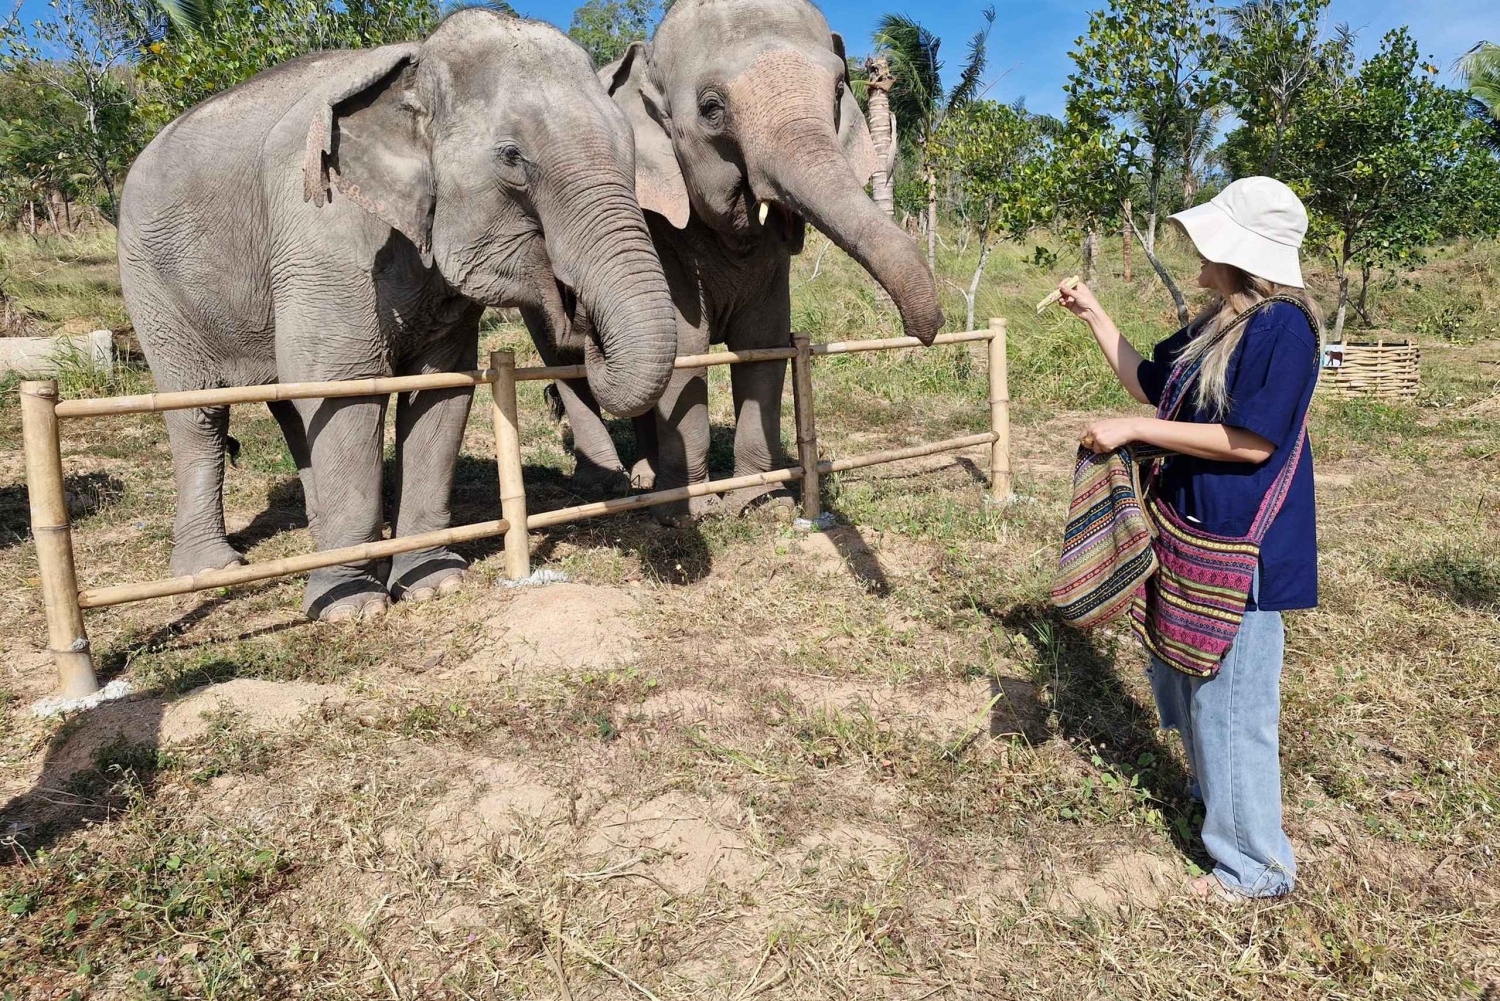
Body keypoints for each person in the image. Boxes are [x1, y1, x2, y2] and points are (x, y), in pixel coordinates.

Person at [1057, 176, 1323, 902]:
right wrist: (1094, 314)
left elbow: (1250, 441)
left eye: (1205, 241)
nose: (1194, 253)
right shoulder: (1222, 321)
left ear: (1236, 252)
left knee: (1232, 706)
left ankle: (1255, 870)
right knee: (1186, 678)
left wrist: (1136, 431)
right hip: (1194, 532)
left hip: (1243, 550)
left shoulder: (1281, 327)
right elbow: (1151, 383)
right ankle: (1221, 810)